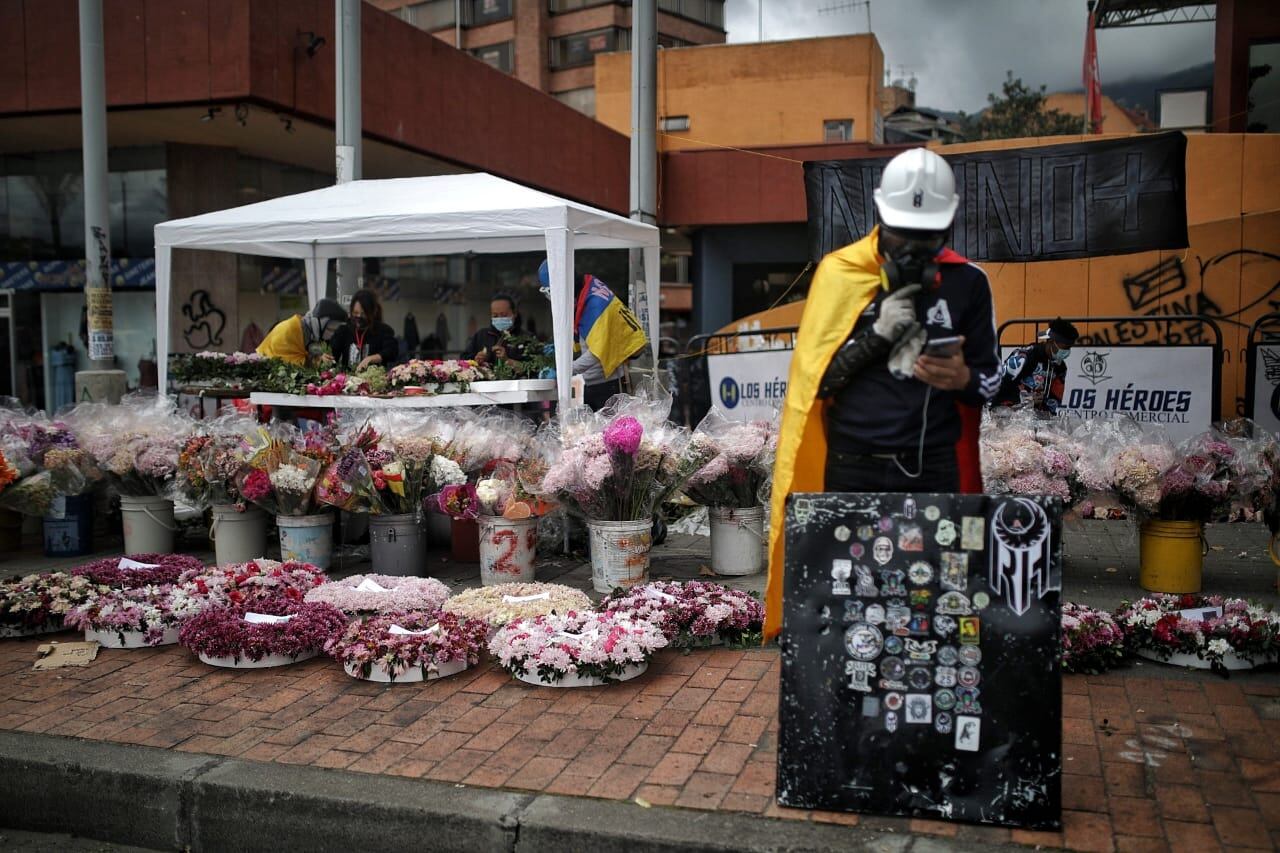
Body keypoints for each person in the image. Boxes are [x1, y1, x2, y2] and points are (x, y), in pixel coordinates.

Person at [762, 148, 1001, 641]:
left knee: (932, 598)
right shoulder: (840, 273)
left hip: (933, 467)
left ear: (949, 224)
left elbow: (994, 383)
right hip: (851, 467)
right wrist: (876, 337)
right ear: (880, 217)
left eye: (926, 237)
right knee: (847, 597)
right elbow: (813, 386)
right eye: (901, 235)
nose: (912, 248)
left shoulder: (969, 283)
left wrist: (963, 379)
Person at [537, 261, 648, 412]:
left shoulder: (595, 303)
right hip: (591, 381)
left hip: (608, 384)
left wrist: (565, 370)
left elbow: (597, 353)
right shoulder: (587, 291)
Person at [991, 318, 1079, 415]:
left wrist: (1047, 418)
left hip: (1033, 416)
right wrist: (1024, 399)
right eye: (1064, 347)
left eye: (1069, 348)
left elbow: (1054, 400)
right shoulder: (1024, 357)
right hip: (1006, 411)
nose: (1066, 351)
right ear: (1051, 341)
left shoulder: (1060, 367)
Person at [256, 298, 348, 365]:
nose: (332, 335)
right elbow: (293, 363)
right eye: (331, 330)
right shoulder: (293, 329)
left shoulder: (305, 329)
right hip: (267, 366)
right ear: (321, 324)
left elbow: (307, 350)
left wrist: (320, 357)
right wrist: (318, 360)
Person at [329, 289, 399, 371]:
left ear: (372, 312)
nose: (359, 316)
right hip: (348, 378)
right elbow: (332, 354)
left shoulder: (383, 330)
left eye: (363, 314)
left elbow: (392, 351)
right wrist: (325, 358)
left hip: (374, 377)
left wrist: (372, 358)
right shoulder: (343, 331)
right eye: (355, 313)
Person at [461, 292, 527, 368]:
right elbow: (463, 360)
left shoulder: (526, 338)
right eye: (495, 315)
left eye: (504, 315)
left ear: (514, 313)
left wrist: (507, 360)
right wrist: (476, 359)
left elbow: (533, 368)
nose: (499, 318)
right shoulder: (481, 335)